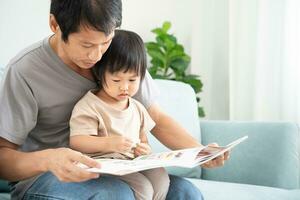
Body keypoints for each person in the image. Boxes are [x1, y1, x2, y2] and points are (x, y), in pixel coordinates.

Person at [0, 0, 228, 199]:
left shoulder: (117, 52)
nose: (97, 55)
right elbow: (3, 158)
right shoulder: (25, 71)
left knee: (184, 193)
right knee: (114, 195)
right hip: (46, 178)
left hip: (115, 168)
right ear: (55, 25)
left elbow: (155, 117)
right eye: (87, 45)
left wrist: (200, 153)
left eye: (105, 42)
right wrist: (49, 160)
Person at [69, 29, 170, 200]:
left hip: (131, 163)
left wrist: (144, 150)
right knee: (143, 188)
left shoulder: (137, 107)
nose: (125, 87)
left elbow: (143, 139)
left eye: (132, 80)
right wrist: (109, 143)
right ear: (101, 74)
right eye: (117, 80)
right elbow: (77, 141)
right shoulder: (90, 105)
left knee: (161, 178)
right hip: (103, 165)